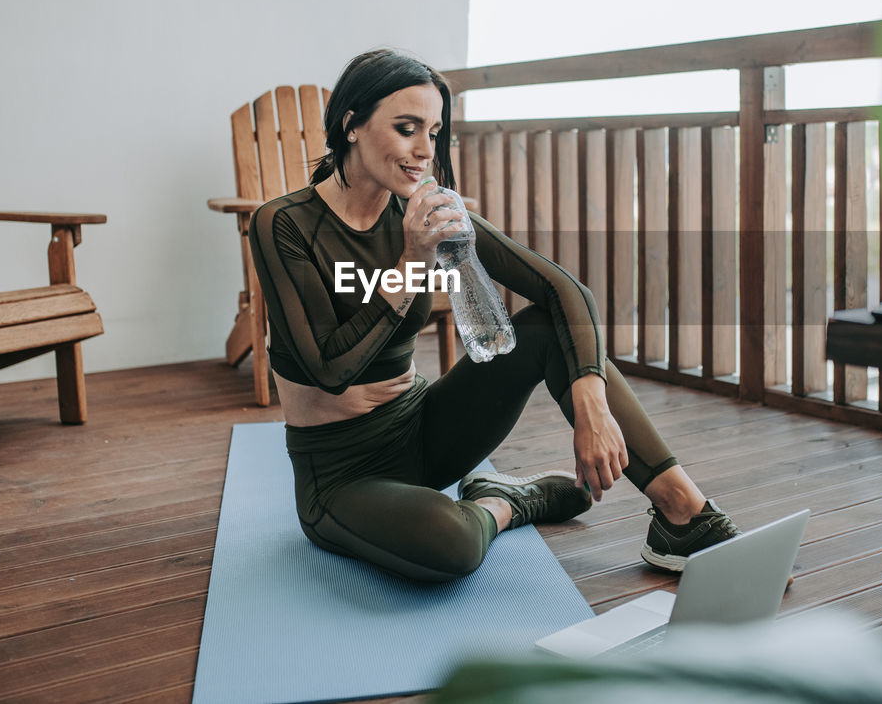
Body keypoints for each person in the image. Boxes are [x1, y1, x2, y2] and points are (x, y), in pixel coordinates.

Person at [248, 49, 742, 583]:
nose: (423, 151)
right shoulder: (283, 225)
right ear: (351, 125)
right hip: (340, 473)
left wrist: (590, 396)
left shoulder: (425, 210)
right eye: (407, 128)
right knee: (454, 545)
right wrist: (413, 260)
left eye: (434, 133)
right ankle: (509, 502)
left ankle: (684, 515)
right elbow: (330, 367)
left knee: (551, 330)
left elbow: (564, 290)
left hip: (424, 430)